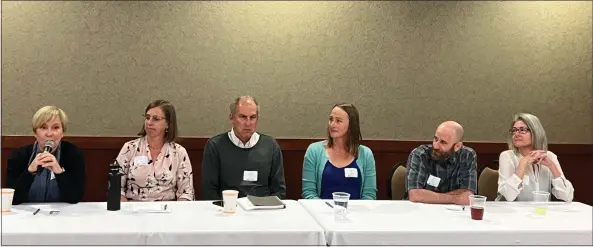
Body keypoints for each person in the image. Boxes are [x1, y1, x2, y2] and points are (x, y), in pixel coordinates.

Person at [201, 96, 286, 200]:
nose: (248, 123)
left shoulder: (271, 146)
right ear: (231, 118)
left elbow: (279, 191)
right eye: (243, 117)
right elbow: (209, 191)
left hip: (262, 211)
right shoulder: (215, 146)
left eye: (253, 117)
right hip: (228, 210)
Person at [116, 100, 194, 201]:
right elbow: (115, 189)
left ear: (168, 124)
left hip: (168, 213)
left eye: (155, 119)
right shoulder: (129, 148)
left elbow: (186, 193)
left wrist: (175, 215)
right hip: (133, 211)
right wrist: (128, 211)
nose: (149, 122)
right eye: (147, 118)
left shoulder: (179, 152)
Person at [6, 106, 86, 205]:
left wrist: (59, 172)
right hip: (28, 215)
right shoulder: (18, 155)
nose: (49, 133)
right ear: (35, 133)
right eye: (43, 127)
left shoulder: (73, 154)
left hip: (62, 214)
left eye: (55, 127)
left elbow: (75, 197)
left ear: (62, 133)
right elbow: (12, 199)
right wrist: (29, 172)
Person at [302, 103, 377, 200]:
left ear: (351, 125)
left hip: (357, 213)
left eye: (338, 121)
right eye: (331, 119)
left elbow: (369, 196)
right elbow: (309, 193)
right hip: (322, 212)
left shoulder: (366, 154)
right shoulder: (314, 151)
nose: (332, 124)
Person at [496, 113, 574, 202]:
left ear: (536, 132)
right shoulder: (507, 156)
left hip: (541, 212)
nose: (516, 134)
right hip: (514, 213)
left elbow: (567, 197)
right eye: (514, 130)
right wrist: (522, 164)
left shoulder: (549, 156)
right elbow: (508, 196)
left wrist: (552, 166)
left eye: (522, 130)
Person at [404, 121, 477, 205]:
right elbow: (415, 195)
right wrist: (455, 198)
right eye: (435, 139)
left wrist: (429, 197)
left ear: (457, 146)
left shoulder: (467, 155)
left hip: (454, 213)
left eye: (443, 142)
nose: (436, 146)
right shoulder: (420, 154)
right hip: (419, 211)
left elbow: (467, 194)